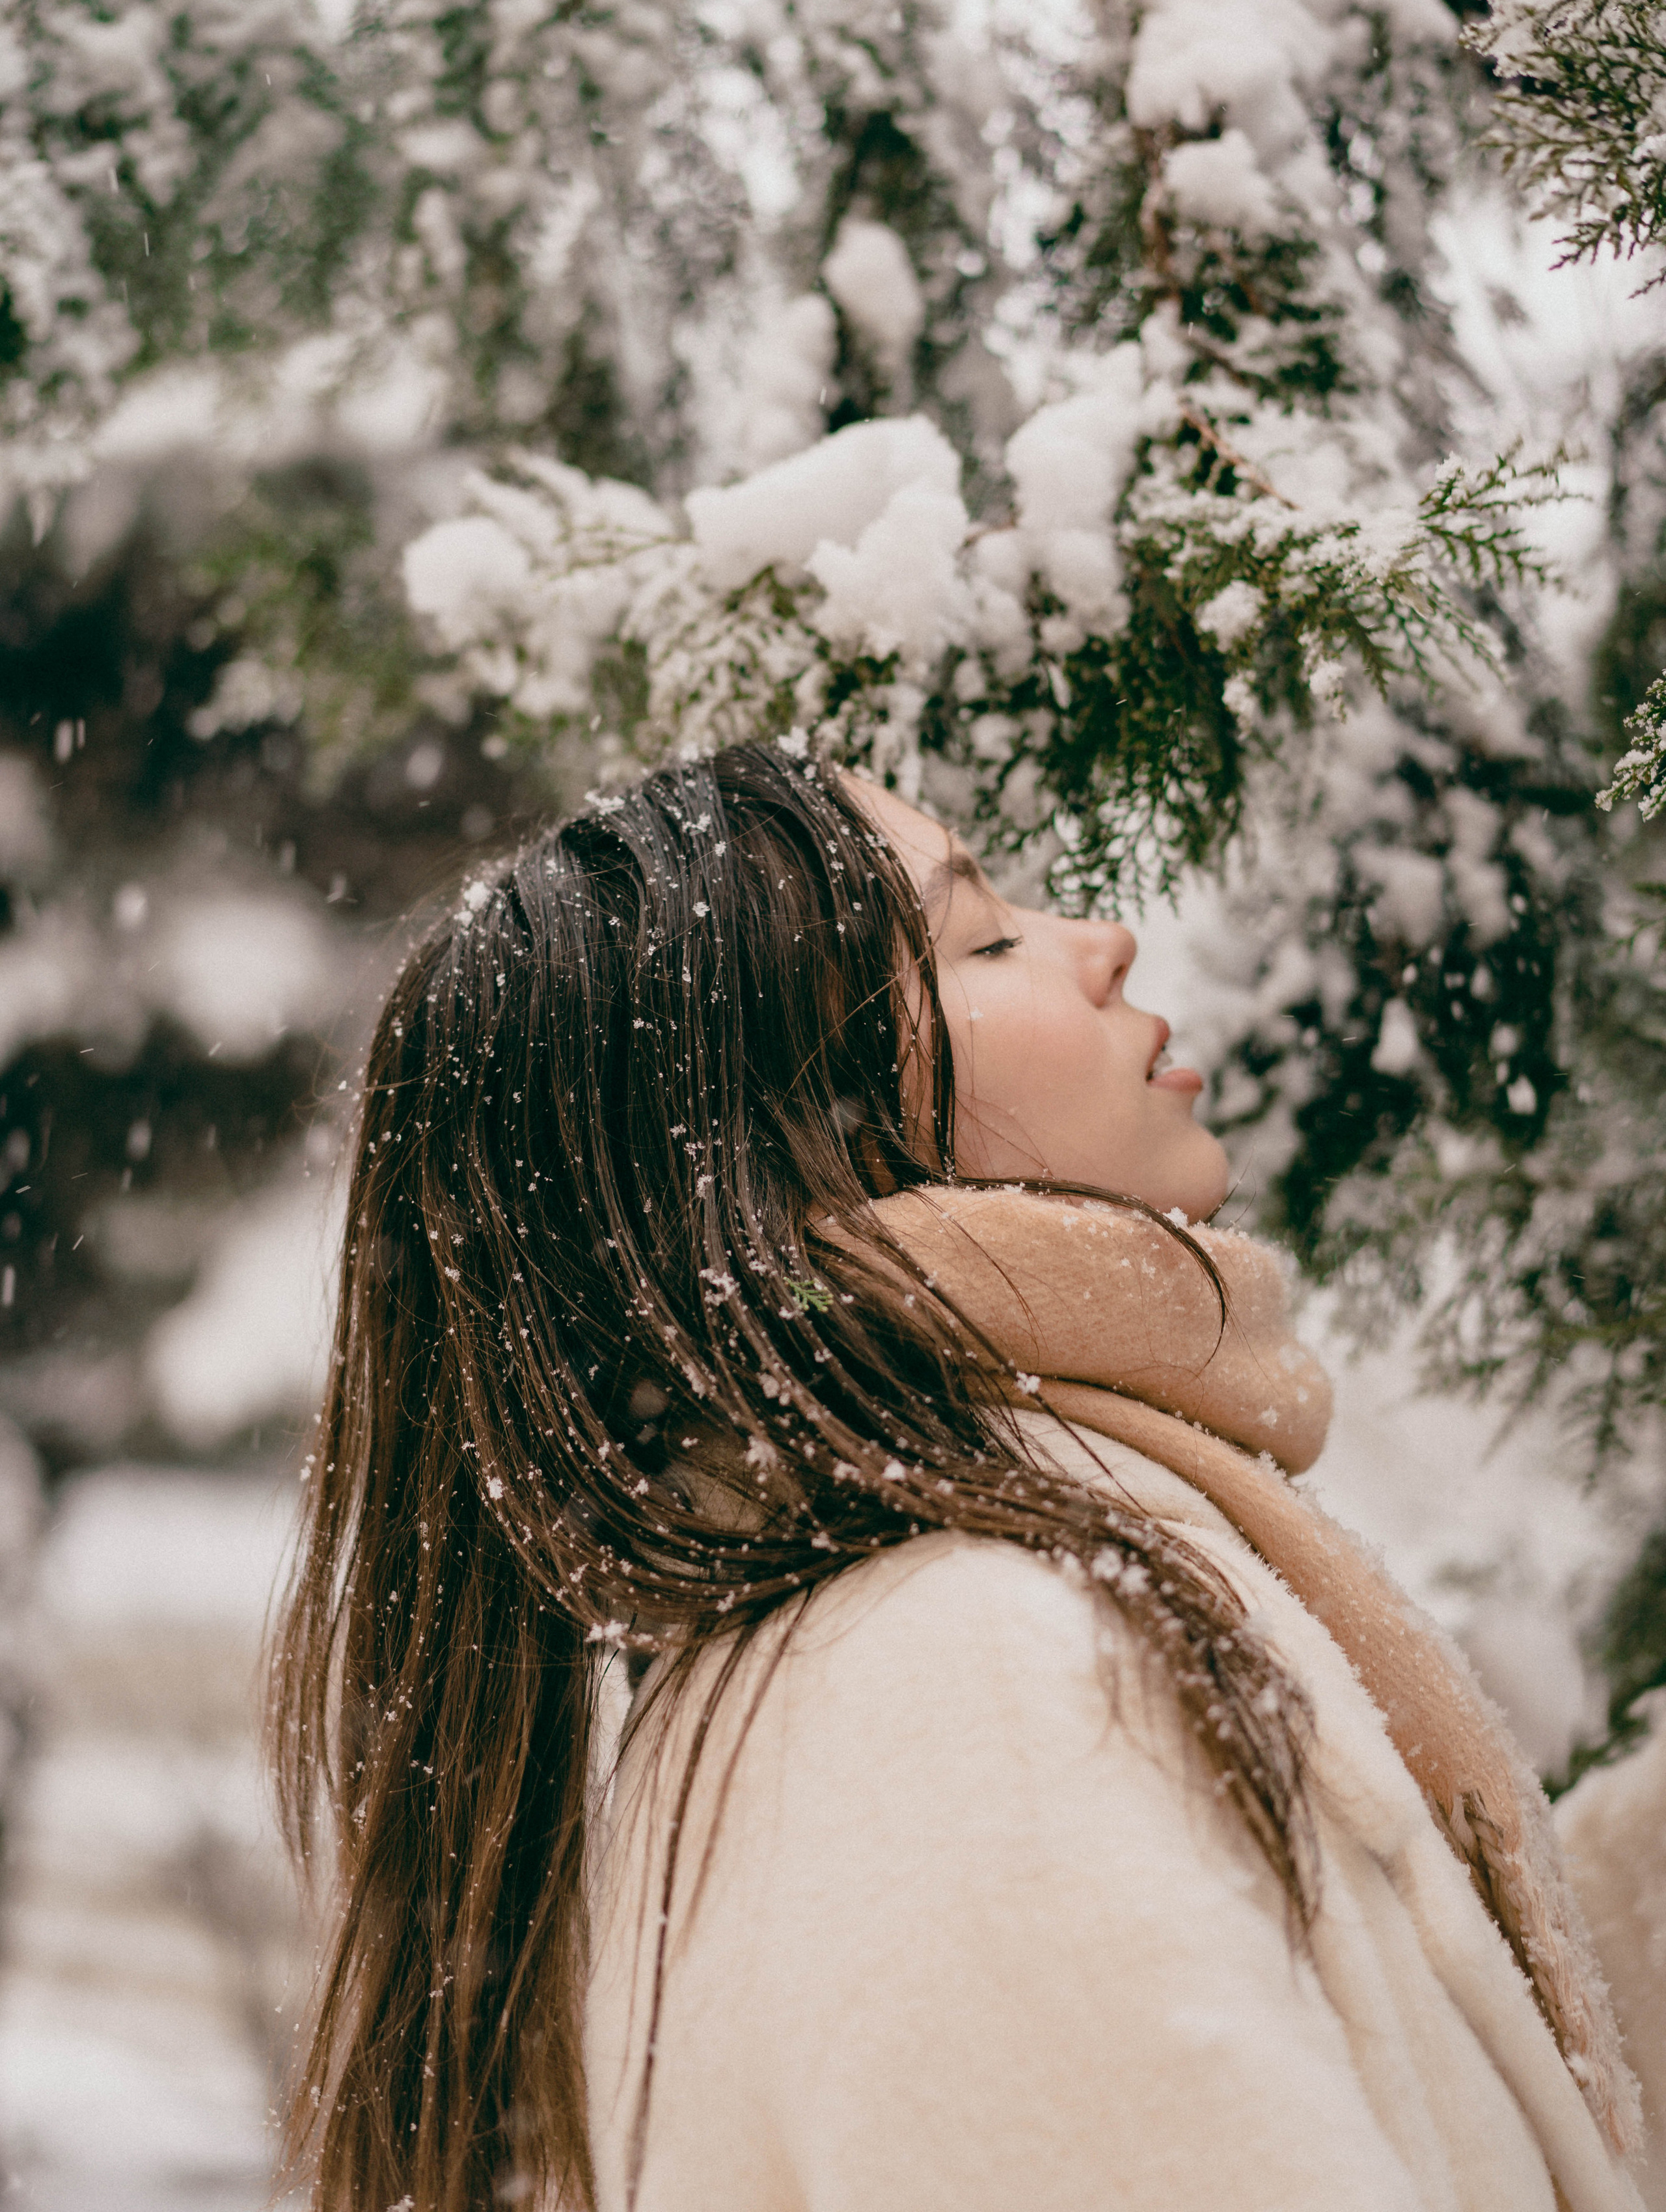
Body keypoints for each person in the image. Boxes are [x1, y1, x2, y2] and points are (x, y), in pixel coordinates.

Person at [271, 741, 1645, 2212]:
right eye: (982, 938)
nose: (1102, 943)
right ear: (789, 1148)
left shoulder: (920, 1629)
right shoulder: (950, 1675)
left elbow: (1428, 2092)